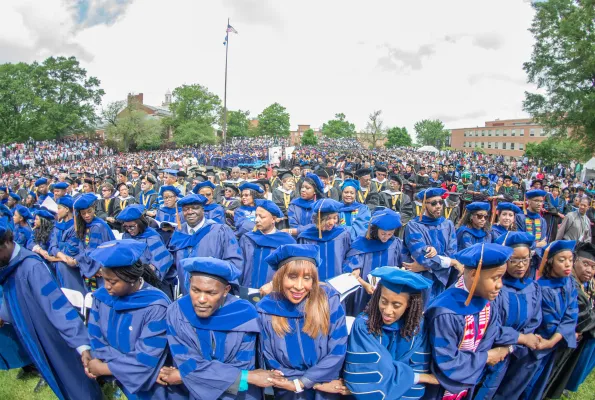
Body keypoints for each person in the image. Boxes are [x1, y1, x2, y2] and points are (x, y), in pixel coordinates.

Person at [0, 218, 103, 400]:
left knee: (74, 384)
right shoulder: (9, 267)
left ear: (6, 242)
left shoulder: (31, 267)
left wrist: (82, 345)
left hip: (50, 337)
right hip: (32, 335)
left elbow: (58, 308)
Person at [163, 257, 275, 399]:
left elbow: (243, 365)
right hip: (192, 393)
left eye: (211, 293)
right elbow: (188, 362)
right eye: (195, 290)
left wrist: (183, 375)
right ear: (189, 283)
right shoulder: (178, 311)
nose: (201, 299)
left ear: (226, 290)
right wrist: (246, 377)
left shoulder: (244, 314)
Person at [85, 239, 178, 399]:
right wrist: (120, 367)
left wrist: (104, 368)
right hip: (132, 375)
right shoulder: (101, 297)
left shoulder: (156, 305)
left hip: (153, 386)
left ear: (132, 278)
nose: (106, 286)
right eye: (104, 279)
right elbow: (95, 337)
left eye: (113, 282)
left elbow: (146, 356)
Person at [425, 243, 519, 399]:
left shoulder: (485, 301)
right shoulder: (446, 312)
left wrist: (514, 343)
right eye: (495, 278)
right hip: (439, 390)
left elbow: (489, 336)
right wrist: (487, 357)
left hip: (466, 382)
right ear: (474, 274)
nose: (500, 285)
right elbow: (446, 361)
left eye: (501, 277)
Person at [256, 244, 349, 398]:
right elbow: (270, 358)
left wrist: (305, 381)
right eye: (292, 277)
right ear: (279, 276)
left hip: (325, 391)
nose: (299, 287)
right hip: (288, 391)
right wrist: (298, 384)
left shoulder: (328, 301)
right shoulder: (266, 309)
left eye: (307, 278)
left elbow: (338, 349)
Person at [343, 267, 437, 399]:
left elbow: (418, 367)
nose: (387, 311)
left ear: (409, 304)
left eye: (396, 305)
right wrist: (417, 377)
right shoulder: (364, 325)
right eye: (383, 301)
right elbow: (364, 376)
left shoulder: (417, 327)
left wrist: (389, 370)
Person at [473, 232, 543, 400]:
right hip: (492, 351)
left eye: (525, 260)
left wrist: (515, 344)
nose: (520, 265)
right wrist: (520, 338)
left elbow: (534, 321)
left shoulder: (533, 287)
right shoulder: (494, 290)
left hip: (518, 353)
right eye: (514, 260)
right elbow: (491, 327)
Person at [522, 240, 579, 400]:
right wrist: (549, 340)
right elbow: (546, 322)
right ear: (549, 261)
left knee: (538, 387)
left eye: (570, 259)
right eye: (562, 260)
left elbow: (571, 315)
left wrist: (553, 341)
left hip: (551, 346)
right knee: (523, 386)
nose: (568, 264)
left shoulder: (569, 282)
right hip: (534, 349)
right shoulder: (539, 288)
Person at [545, 242, 595, 398]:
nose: (589, 270)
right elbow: (586, 320)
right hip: (555, 343)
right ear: (575, 261)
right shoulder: (571, 285)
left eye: (593, 267)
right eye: (586, 264)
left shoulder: (582, 285)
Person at [168, 193, 243, 295]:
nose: (190, 212)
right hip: (184, 293)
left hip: (212, 294)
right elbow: (172, 262)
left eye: (195, 208)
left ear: (203, 210)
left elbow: (234, 263)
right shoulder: (179, 232)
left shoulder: (220, 231)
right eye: (186, 209)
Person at [402, 188, 461, 300]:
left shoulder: (448, 224)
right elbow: (422, 258)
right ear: (424, 204)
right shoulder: (414, 226)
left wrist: (426, 267)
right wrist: (450, 262)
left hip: (443, 280)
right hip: (421, 282)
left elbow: (452, 254)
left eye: (440, 202)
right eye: (433, 203)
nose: (438, 206)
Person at [343, 208, 404, 316]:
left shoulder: (395, 244)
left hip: (387, 291)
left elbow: (402, 265)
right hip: (364, 290)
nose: (386, 238)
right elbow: (353, 272)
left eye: (390, 234)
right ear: (375, 229)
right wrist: (365, 284)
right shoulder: (361, 244)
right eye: (383, 234)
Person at [117, 204, 176, 299]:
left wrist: (147, 274)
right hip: (131, 281)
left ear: (140, 223)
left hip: (153, 285)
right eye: (126, 227)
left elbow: (162, 261)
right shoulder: (126, 236)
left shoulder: (152, 237)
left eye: (132, 226)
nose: (129, 230)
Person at [238, 199, 296, 291]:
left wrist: (273, 285)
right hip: (247, 290)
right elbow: (240, 265)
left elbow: (290, 270)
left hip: (274, 292)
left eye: (261, 217)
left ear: (273, 219)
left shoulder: (287, 242)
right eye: (256, 216)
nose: (257, 220)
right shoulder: (247, 238)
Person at [297, 199, 351, 282]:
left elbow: (348, 256)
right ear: (318, 219)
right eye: (328, 218)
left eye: (335, 218)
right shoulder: (306, 237)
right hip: (313, 282)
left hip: (338, 281)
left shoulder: (342, 234)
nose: (332, 222)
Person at [73, 193, 116, 292]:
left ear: (94, 209)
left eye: (89, 211)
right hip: (92, 267)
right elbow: (82, 246)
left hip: (101, 268)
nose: (87, 215)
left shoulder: (98, 226)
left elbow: (93, 251)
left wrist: (77, 260)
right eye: (83, 213)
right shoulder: (86, 226)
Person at [47, 195, 87, 293]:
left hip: (70, 268)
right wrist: (59, 254)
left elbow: (71, 251)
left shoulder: (76, 227)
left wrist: (54, 256)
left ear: (66, 209)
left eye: (59, 208)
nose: (57, 211)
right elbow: (52, 246)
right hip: (58, 263)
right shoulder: (57, 226)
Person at [516, 189, 549, 279]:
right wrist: (537, 244)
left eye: (541, 201)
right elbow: (520, 241)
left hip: (535, 260)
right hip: (521, 260)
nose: (539, 204)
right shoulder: (520, 217)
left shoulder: (542, 221)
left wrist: (535, 248)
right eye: (536, 201)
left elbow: (543, 243)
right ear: (529, 201)